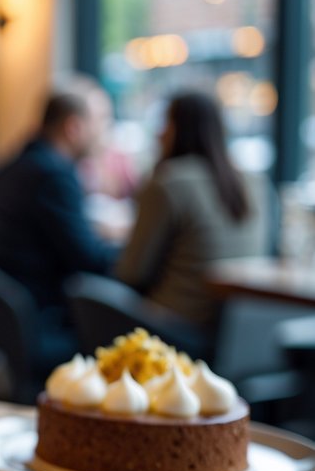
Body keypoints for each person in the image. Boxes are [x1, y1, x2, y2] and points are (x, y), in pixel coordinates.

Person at [0, 90, 119, 362]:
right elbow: (89, 259)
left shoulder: (19, 162)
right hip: (40, 316)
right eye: (101, 121)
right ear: (73, 127)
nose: (104, 131)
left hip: (3, 309)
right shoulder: (53, 175)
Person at [115, 91, 270, 331]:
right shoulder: (256, 183)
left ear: (177, 128)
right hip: (237, 335)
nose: (159, 132)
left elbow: (132, 272)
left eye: (165, 122)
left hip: (174, 328)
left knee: (83, 291)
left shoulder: (170, 182)